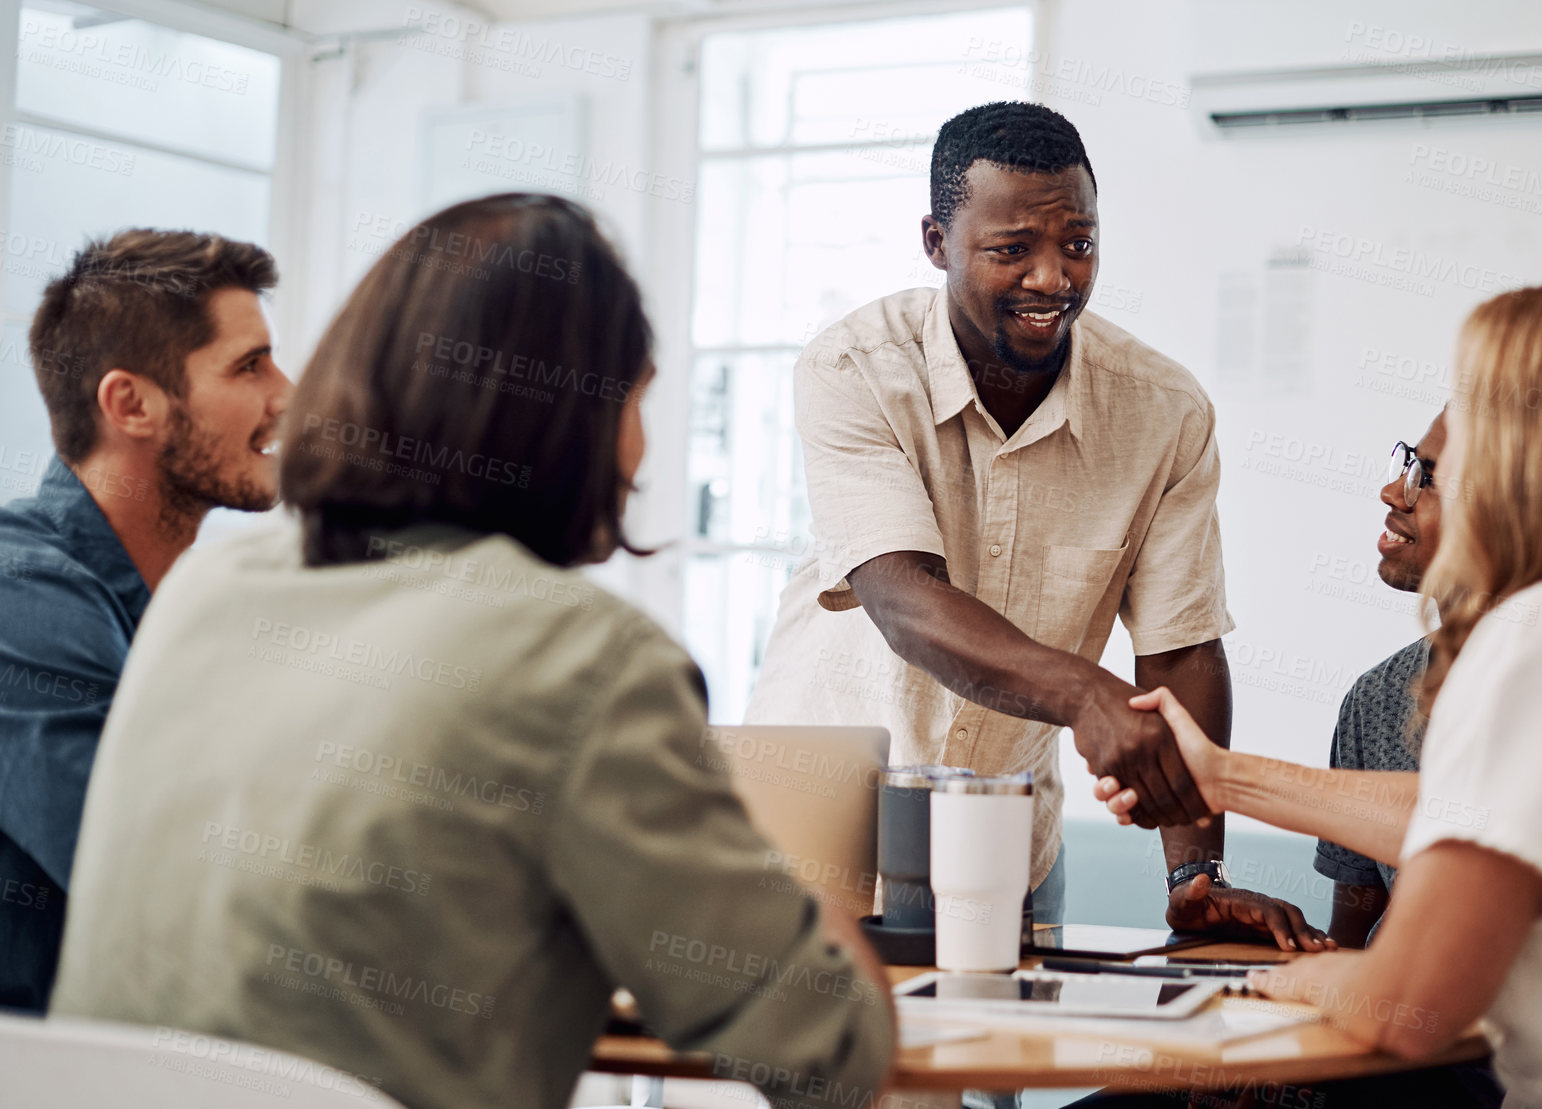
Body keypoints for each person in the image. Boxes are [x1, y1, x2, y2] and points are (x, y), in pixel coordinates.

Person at [51, 195, 895, 1109]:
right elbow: (824, 1048)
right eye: (638, 397)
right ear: (580, 414)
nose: (644, 446)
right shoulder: (583, 656)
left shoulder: (205, 595)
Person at [1101, 282, 1542, 1107]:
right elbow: (1477, 812)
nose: (1399, 485)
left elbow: (1408, 1006)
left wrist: (1271, 989)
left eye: (1432, 466)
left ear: (1516, 467)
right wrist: (1223, 775)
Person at [745, 100, 1324, 948]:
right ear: (936, 242)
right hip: (816, 799)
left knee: (989, 1063)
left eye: (1077, 245)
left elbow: (1183, 647)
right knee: (811, 1068)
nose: (1053, 278)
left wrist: (1193, 873)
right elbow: (902, 596)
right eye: (1011, 248)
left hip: (1000, 820)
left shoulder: (1163, 412)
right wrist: (1088, 691)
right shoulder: (854, 366)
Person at [0, 230, 289, 1012]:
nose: (286, 393)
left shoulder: (179, 610)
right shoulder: (18, 591)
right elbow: (150, 882)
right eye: (249, 365)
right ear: (130, 404)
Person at [1312, 410, 1447, 950]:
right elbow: (1351, 942)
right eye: (1406, 463)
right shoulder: (1376, 698)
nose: (1393, 490)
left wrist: (1222, 778)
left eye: (1427, 478)